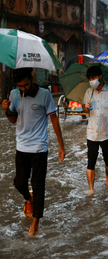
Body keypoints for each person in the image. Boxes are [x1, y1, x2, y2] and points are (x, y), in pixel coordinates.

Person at [2, 67, 66, 236]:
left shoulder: (45, 95)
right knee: (19, 183)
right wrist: (7, 109)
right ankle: (28, 200)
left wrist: (61, 145)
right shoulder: (14, 94)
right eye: (20, 86)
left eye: (26, 85)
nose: (23, 89)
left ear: (32, 77)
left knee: (38, 185)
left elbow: (54, 119)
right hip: (21, 146)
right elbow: (13, 120)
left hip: (39, 147)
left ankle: (36, 222)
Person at [82, 66, 108, 195]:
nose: (91, 81)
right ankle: (91, 189)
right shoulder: (88, 92)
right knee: (90, 162)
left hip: (107, 133)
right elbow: (85, 110)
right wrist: (85, 107)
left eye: (93, 78)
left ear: (100, 76)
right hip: (92, 132)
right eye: (90, 79)